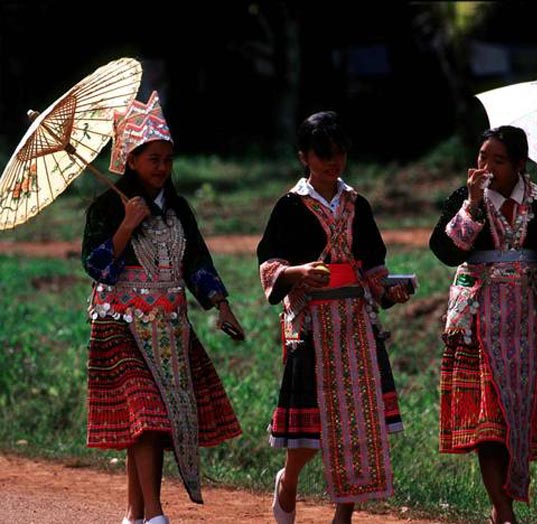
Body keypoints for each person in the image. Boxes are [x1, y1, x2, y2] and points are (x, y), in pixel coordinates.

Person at [429, 125, 537, 524]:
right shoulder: (465, 197)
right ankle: (504, 511)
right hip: (478, 322)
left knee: (515, 419)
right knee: (488, 425)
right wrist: (473, 206)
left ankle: (503, 505)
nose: (486, 167)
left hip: (527, 324)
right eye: (481, 158)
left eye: (497, 160)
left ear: (519, 165)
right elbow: (443, 249)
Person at [81, 91, 245, 524]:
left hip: (170, 326)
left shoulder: (178, 210)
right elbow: (96, 266)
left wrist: (220, 305)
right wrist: (125, 227)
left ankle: (135, 513)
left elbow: (196, 261)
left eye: (167, 159)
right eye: (153, 158)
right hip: (120, 324)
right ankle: (154, 513)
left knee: (155, 417)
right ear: (132, 160)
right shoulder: (106, 208)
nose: (162, 167)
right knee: (148, 412)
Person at [257, 111, 411, 524]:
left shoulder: (357, 204)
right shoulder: (289, 207)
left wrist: (389, 292)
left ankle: (343, 517)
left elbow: (373, 265)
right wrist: (297, 273)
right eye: (322, 153)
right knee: (309, 432)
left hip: (356, 323)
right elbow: (269, 263)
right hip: (311, 323)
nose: (332, 161)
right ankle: (288, 481)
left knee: (360, 424)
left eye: (338, 152)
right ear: (304, 156)